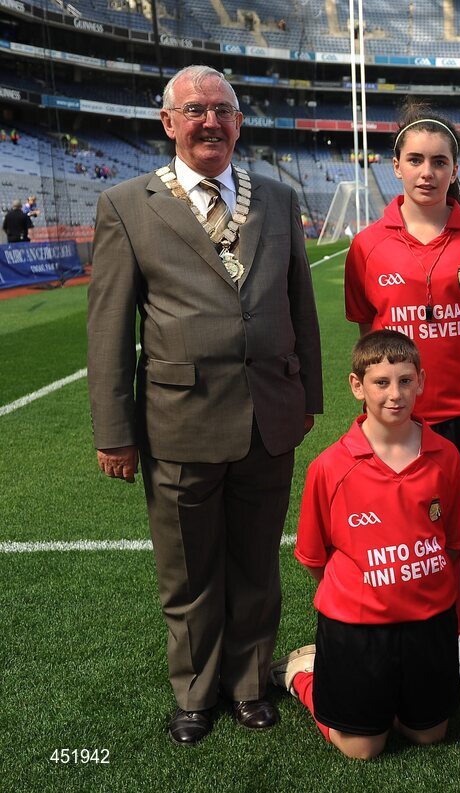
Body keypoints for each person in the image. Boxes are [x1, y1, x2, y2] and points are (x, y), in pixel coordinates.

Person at [86, 64, 323, 745]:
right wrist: (114, 429)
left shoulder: (276, 199)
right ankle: (195, 688)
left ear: (239, 123)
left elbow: (298, 303)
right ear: (169, 124)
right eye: (194, 111)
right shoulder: (128, 204)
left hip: (270, 413)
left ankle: (248, 681)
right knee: (188, 570)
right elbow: (109, 329)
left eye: (221, 109)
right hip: (177, 421)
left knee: (256, 561)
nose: (209, 121)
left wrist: (307, 393)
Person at [344, 100, 460, 684]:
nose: (427, 171)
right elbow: (369, 334)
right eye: (415, 159)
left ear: (454, 169)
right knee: (402, 531)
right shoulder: (366, 245)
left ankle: (454, 634)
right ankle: (401, 626)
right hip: (395, 415)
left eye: (439, 161)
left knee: (458, 533)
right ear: (395, 165)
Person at [271, 330, 460, 760]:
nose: (394, 395)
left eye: (405, 380)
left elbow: (457, 546)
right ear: (357, 386)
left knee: (429, 735)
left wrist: (453, 617)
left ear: (421, 381)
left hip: (428, 622)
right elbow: (313, 558)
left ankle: (393, 692)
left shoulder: (447, 457)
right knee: (362, 748)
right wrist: (365, 593)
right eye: (381, 382)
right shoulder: (329, 467)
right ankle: (303, 674)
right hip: (357, 628)